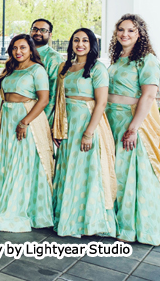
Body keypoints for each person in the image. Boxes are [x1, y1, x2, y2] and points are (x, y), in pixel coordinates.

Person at [106, 14, 160, 245]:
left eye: (131, 30)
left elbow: (149, 95)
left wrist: (133, 128)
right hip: (111, 119)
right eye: (121, 30)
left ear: (140, 34)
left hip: (129, 121)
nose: (125, 34)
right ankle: (111, 222)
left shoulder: (147, 60)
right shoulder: (118, 58)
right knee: (113, 171)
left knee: (129, 174)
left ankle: (132, 226)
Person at [52, 27, 116, 238]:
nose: (80, 44)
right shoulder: (65, 67)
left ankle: (86, 221)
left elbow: (102, 102)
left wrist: (89, 132)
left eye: (85, 41)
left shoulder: (98, 69)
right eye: (76, 40)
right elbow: (58, 100)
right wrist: (56, 128)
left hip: (86, 123)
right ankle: (66, 216)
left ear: (92, 45)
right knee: (68, 168)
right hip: (66, 124)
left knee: (86, 171)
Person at [0, 34, 53, 233]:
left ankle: (23, 209)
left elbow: (44, 99)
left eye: (23, 47)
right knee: (8, 161)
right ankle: (5, 203)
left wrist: (24, 121)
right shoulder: (10, 69)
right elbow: (4, 99)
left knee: (23, 162)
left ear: (31, 49)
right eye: (15, 48)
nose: (18, 52)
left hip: (27, 118)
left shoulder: (37, 70)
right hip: (8, 118)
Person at [30, 19, 62, 119]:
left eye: (43, 30)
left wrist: (43, 119)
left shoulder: (54, 58)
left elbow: (53, 92)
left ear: (50, 34)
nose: (38, 33)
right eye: (35, 29)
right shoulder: (21, 53)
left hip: (40, 114)